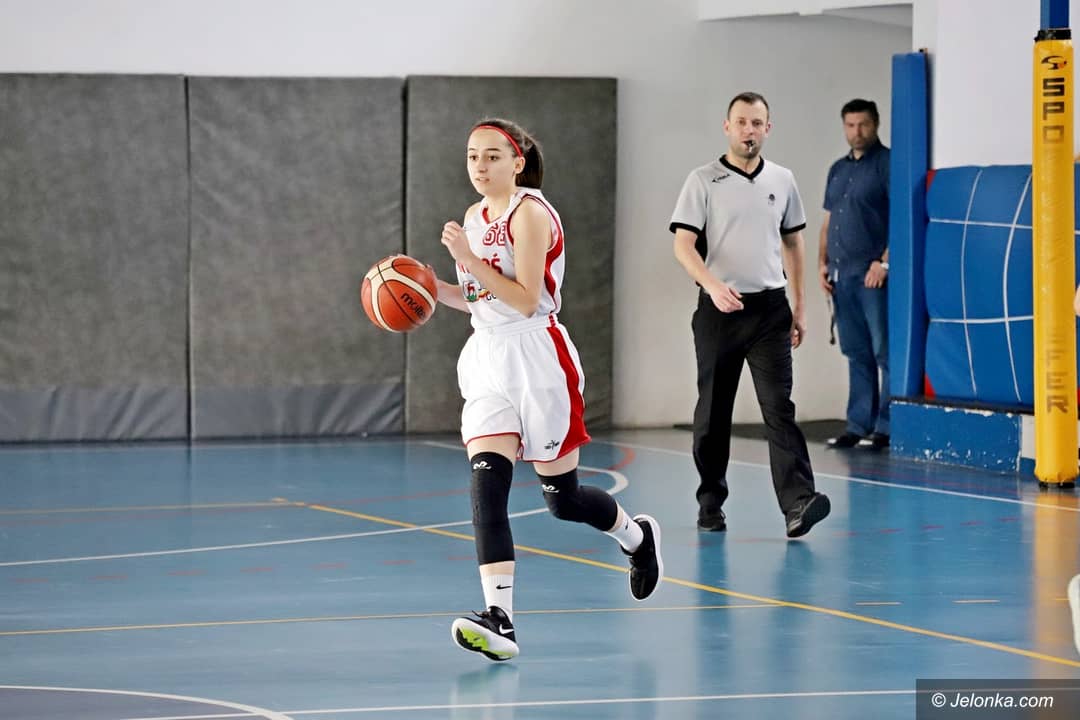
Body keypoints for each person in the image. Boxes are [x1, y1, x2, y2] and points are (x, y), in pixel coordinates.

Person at [433, 118, 663, 662]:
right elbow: (482, 300)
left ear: (517, 162)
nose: (480, 166)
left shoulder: (531, 214)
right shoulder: (473, 217)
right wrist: (428, 288)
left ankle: (637, 538)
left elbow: (522, 298)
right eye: (472, 156)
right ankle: (501, 620)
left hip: (538, 357)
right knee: (486, 485)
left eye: (492, 156)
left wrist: (467, 260)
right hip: (487, 357)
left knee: (563, 501)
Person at [668, 91, 830, 537]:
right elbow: (683, 245)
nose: (748, 130)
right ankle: (710, 503)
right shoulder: (703, 180)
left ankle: (798, 504)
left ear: (767, 129)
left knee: (779, 408)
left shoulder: (782, 179)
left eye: (757, 123)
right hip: (720, 311)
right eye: (741, 122)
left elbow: (793, 242)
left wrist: (799, 306)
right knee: (713, 413)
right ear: (727, 127)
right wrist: (712, 285)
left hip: (770, 312)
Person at [819, 99, 891, 450]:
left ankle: (886, 427)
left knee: (883, 351)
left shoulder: (887, 164)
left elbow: (902, 216)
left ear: (875, 124)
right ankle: (858, 425)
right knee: (856, 351)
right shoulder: (838, 169)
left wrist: (885, 262)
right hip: (841, 275)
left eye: (863, 124)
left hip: (871, 275)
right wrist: (821, 263)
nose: (857, 132)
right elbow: (829, 221)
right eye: (850, 125)